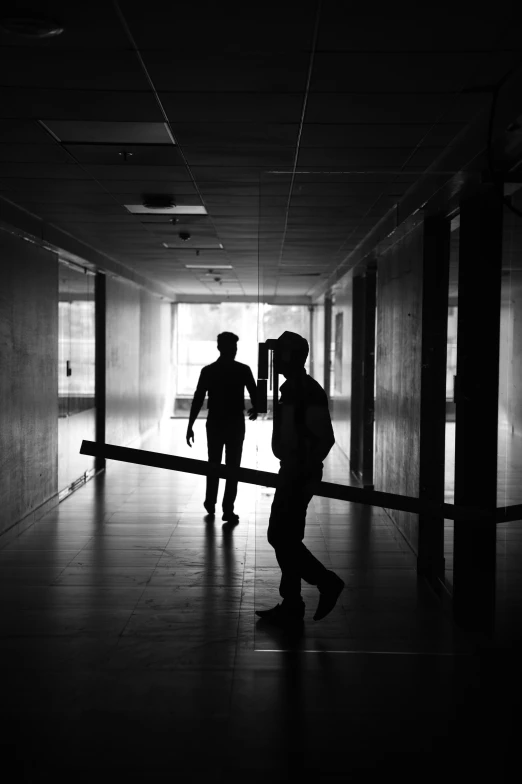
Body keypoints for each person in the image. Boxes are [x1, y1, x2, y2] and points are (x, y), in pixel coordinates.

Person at [256, 331, 345, 625]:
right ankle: (292, 603)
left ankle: (325, 582)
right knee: (286, 537)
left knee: (281, 536)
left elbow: (325, 438)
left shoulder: (306, 390)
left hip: (298, 473)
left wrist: (303, 469)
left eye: (280, 354)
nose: (275, 360)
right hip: (292, 470)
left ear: (290, 357)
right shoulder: (292, 388)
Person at [186, 331, 257, 524]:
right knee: (233, 467)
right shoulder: (243, 370)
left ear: (219, 348)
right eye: (233, 347)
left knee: (213, 463)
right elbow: (255, 394)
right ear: (231, 348)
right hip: (235, 422)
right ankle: (228, 508)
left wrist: (190, 425)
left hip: (215, 421)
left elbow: (198, 398)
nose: (234, 351)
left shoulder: (208, 371)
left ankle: (210, 501)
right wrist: (256, 409)